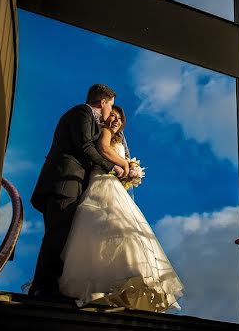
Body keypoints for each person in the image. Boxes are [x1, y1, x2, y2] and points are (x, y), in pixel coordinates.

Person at [58, 105, 184, 311]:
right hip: (102, 182)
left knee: (122, 230)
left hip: (114, 183)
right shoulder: (105, 132)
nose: (115, 120)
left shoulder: (119, 140)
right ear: (106, 118)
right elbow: (104, 150)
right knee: (109, 225)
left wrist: (128, 169)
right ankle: (107, 283)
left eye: (119, 118)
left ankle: (118, 282)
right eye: (113, 116)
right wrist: (127, 166)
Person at [29, 84, 127, 297]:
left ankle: (46, 286)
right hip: (63, 183)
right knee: (56, 235)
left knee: (60, 235)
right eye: (110, 107)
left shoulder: (90, 119)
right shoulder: (82, 112)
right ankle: (43, 288)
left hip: (70, 184)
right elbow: (84, 146)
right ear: (103, 103)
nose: (111, 112)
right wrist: (112, 167)